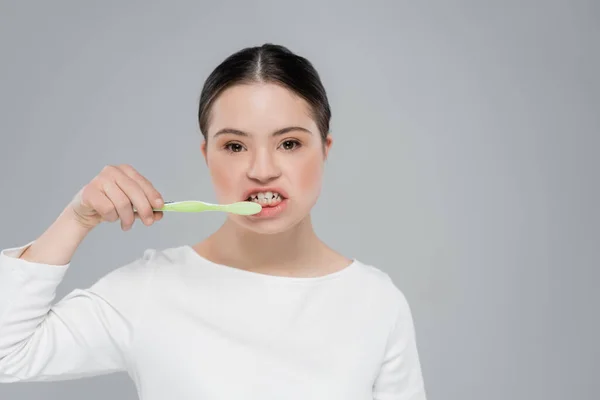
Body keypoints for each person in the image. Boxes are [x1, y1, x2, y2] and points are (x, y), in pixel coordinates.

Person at [0, 43, 427, 399]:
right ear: (207, 156)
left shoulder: (377, 303)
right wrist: (76, 219)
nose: (262, 169)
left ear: (325, 149)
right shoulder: (151, 288)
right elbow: (7, 354)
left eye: (290, 143)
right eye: (235, 146)